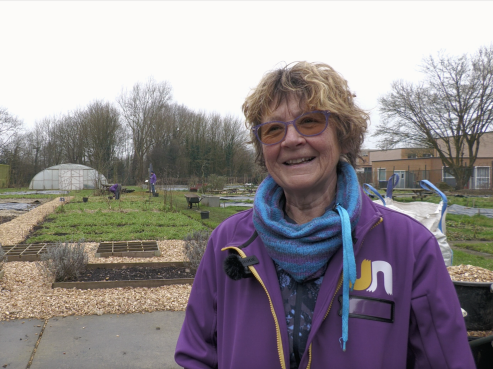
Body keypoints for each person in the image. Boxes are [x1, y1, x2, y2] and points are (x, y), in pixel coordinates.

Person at [175, 62, 474, 369]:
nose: (291, 140)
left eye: (310, 122)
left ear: (343, 136)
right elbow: (197, 354)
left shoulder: (408, 246)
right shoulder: (229, 241)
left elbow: (447, 360)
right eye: (274, 129)